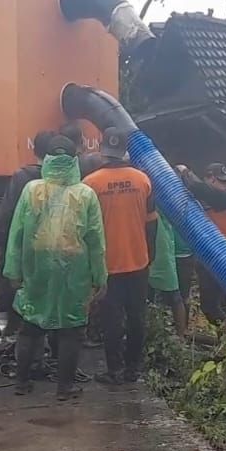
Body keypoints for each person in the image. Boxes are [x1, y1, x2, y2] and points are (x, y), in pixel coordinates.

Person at [3, 135, 106, 400]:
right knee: (71, 330)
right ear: (74, 161)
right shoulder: (86, 194)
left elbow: (16, 233)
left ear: (47, 160)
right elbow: (95, 239)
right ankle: (64, 387)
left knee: (31, 325)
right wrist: (100, 278)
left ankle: (22, 382)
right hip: (75, 269)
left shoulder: (31, 190)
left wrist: (13, 271)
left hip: (36, 266)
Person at [84, 127, 157, 385]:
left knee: (111, 318)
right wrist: (150, 255)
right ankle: (133, 369)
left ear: (103, 151)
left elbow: (86, 230)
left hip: (107, 264)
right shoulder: (143, 180)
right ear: (124, 151)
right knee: (137, 316)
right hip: (138, 261)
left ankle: (113, 370)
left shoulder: (90, 184)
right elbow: (152, 223)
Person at [0, 131, 57, 339]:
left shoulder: (22, 177)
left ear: (34, 149)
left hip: (23, 247)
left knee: (19, 291)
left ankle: (16, 330)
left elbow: (7, 213)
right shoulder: (63, 177)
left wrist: (0, 246)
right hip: (53, 247)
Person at [177, 163, 226, 327]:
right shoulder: (215, 201)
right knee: (222, 305)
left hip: (216, 257)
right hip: (216, 256)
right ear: (210, 179)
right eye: (222, 181)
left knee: (210, 307)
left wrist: (185, 171)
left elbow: (197, 187)